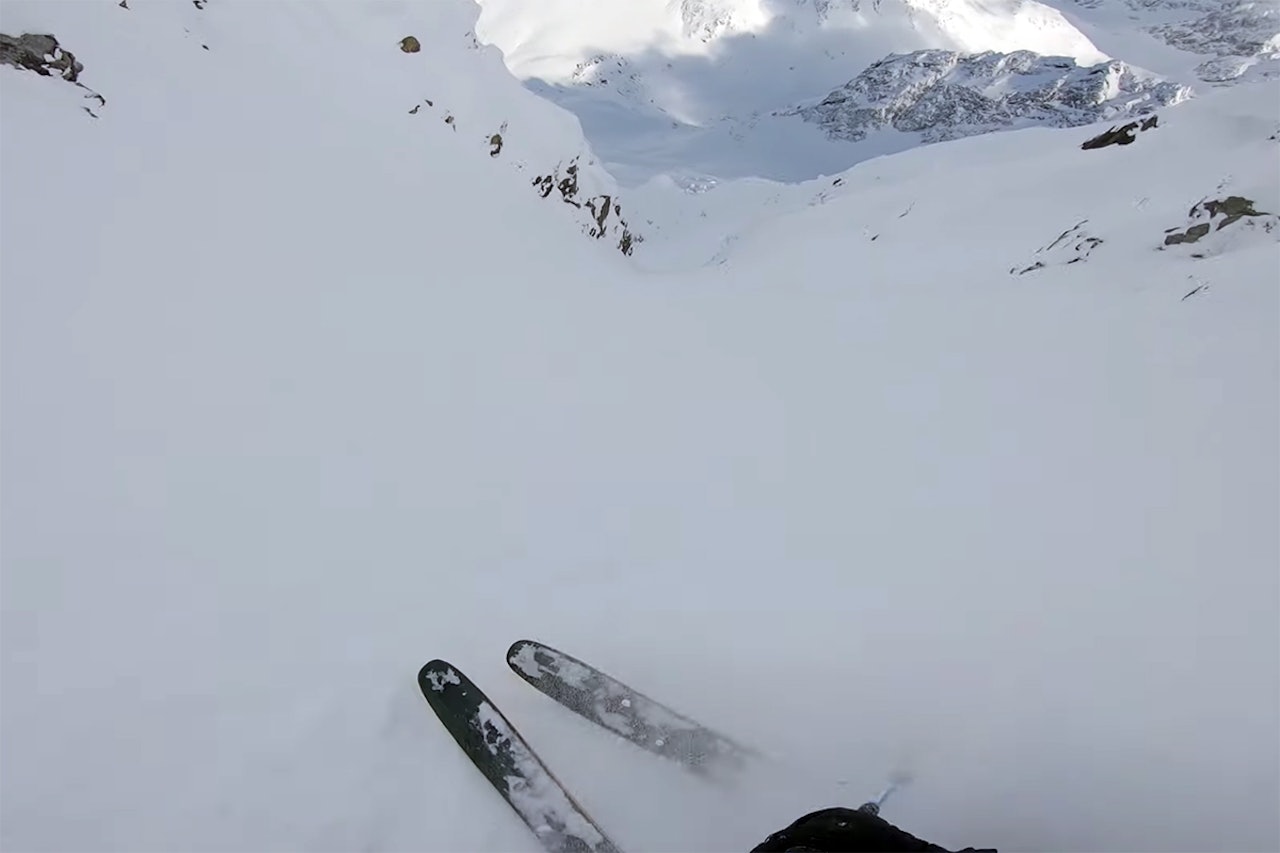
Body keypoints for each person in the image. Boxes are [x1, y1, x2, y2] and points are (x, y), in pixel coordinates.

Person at [750, 803, 996, 853]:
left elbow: (921, 852)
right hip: (818, 821)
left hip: (856, 824)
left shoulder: (873, 837)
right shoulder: (779, 843)